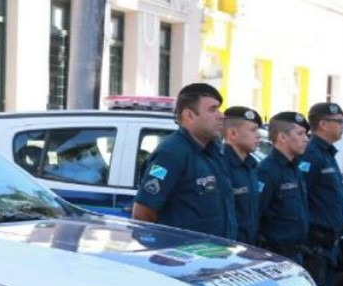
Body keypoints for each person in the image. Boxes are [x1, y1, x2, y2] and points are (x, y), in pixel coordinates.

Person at [133, 83, 236, 240]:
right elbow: (143, 213)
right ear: (189, 115)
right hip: (184, 259)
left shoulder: (213, 151)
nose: (221, 115)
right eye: (212, 109)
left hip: (216, 256)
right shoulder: (172, 153)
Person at [299, 102, 343, 286]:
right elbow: (300, 197)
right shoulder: (311, 154)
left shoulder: (327, 153)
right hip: (315, 245)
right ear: (323, 125)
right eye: (339, 122)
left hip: (328, 246)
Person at [256, 112, 310, 263]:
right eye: (300, 133)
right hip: (276, 257)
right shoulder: (267, 170)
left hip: (296, 254)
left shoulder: (294, 167)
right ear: (282, 137)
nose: (306, 139)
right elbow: (256, 215)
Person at [222, 106, 262, 244]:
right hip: (229, 249)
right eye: (253, 130)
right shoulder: (221, 166)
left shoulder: (251, 166)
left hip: (250, 248)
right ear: (232, 133)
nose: (259, 135)